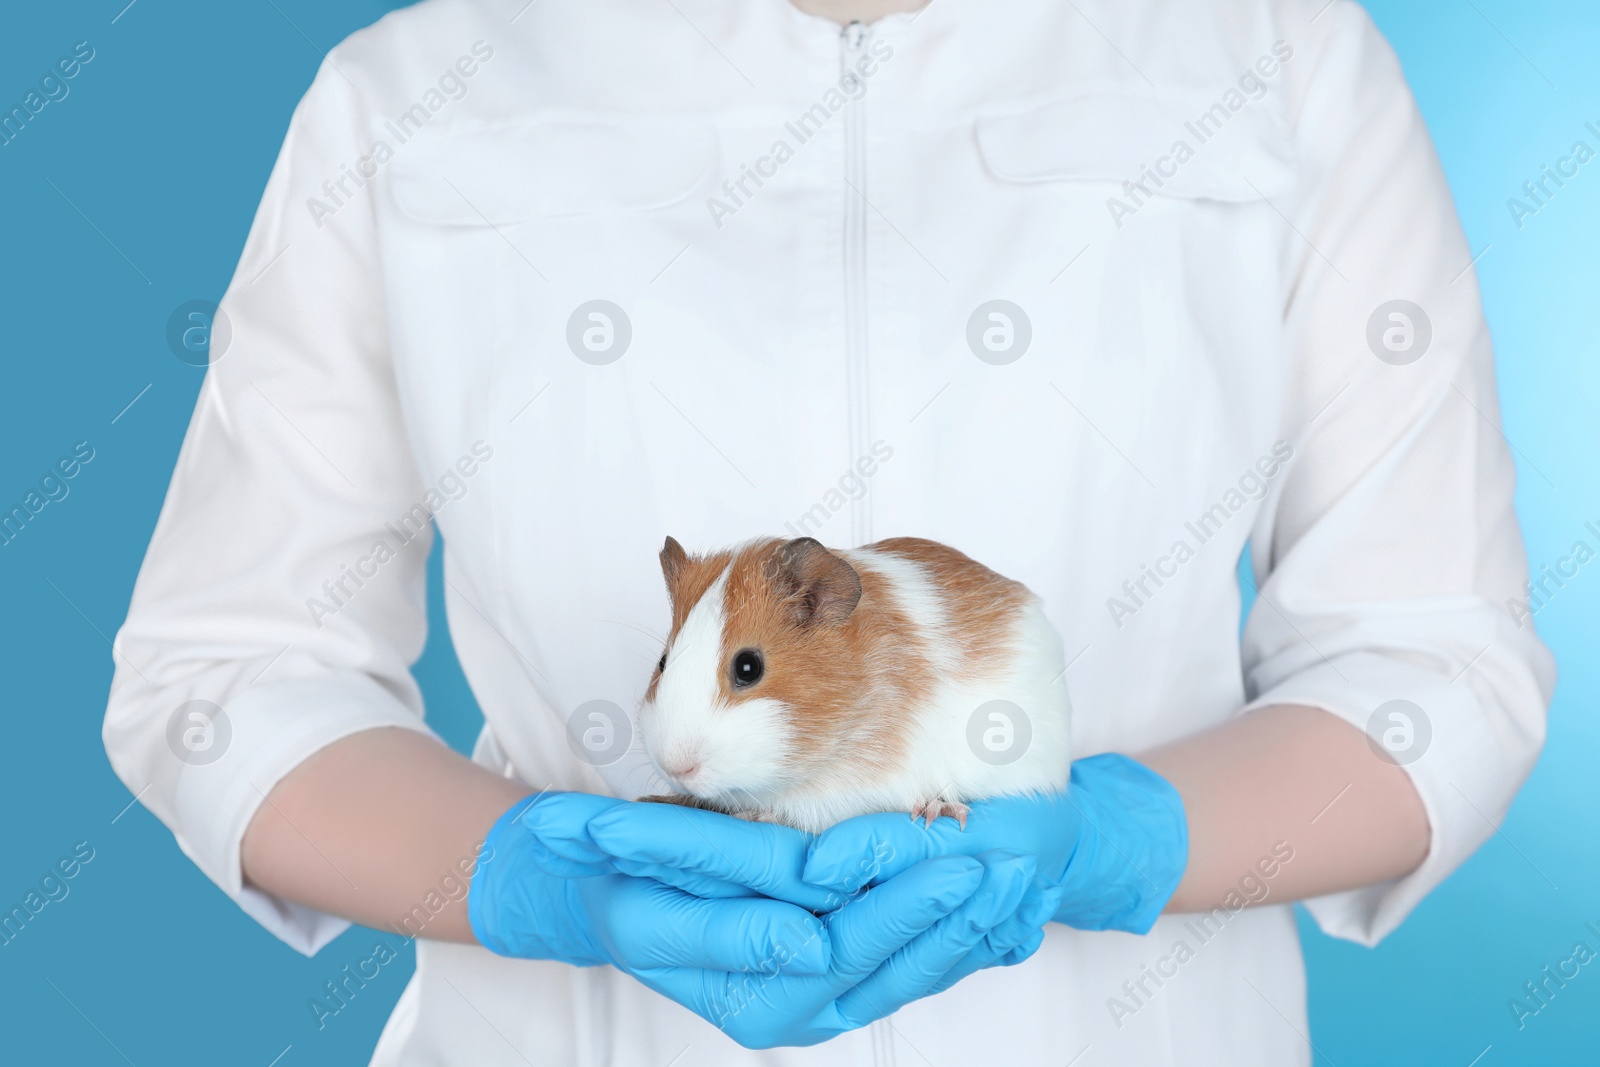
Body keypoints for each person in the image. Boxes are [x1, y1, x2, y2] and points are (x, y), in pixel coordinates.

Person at [103, 0, 1554, 1063]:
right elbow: (223, 677)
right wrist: (534, 877)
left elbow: (1433, 672)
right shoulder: (410, 97)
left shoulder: (1282, 63)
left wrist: (1123, 841)